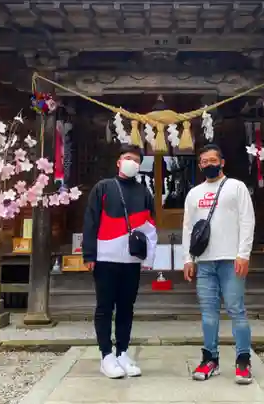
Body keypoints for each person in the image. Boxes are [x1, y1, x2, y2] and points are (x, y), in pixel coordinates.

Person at [182, 144, 255, 385]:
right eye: (204, 161)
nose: (209, 164)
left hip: (231, 259)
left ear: (222, 162)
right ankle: (210, 358)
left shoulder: (236, 187)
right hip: (204, 262)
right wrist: (188, 259)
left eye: (213, 160)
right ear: (200, 165)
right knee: (208, 314)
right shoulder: (194, 193)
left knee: (236, 310)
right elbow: (188, 228)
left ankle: (243, 360)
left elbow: (247, 220)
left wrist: (243, 254)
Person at [83, 144, 157, 379]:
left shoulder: (145, 192)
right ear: (118, 162)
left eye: (136, 160)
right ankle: (106, 355)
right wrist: (89, 254)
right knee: (105, 307)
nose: (131, 162)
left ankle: (123, 351)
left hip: (131, 259)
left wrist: (149, 258)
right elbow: (91, 221)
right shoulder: (103, 188)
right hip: (105, 257)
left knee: (127, 307)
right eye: (127, 158)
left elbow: (151, 227)